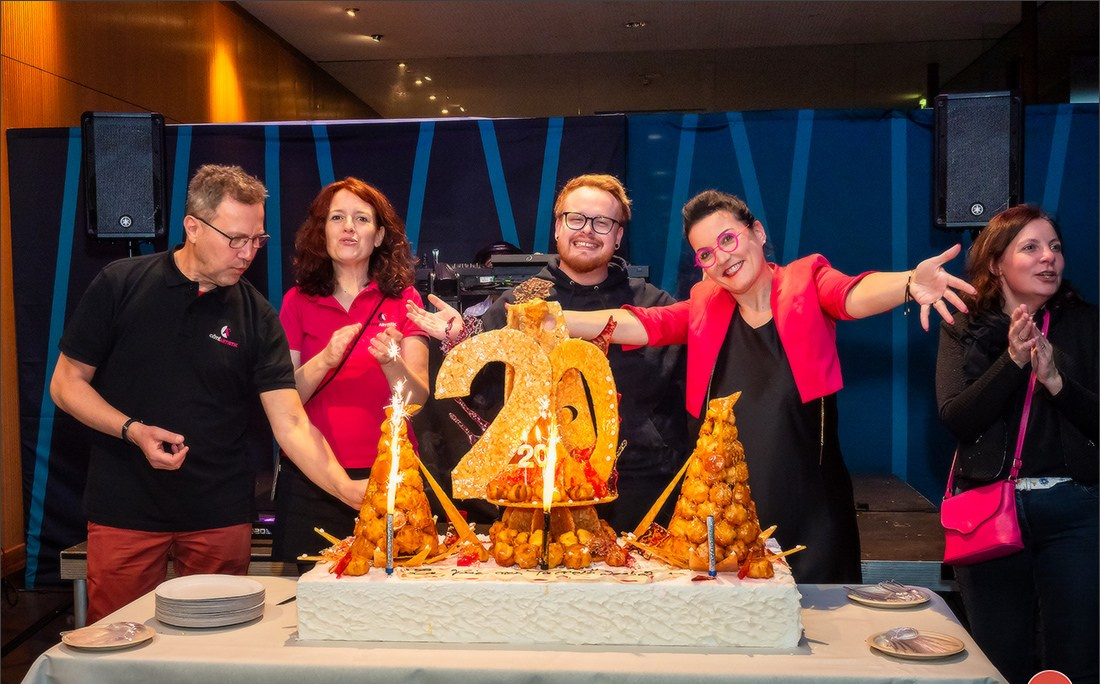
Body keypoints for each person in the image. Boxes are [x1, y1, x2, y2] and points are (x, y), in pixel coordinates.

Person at [553, 189, 974, 583]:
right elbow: (643, 323)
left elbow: (851, 294)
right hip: (724, 523)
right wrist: (557, 319)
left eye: (728, 240)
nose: (721, 258)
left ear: (757, 233)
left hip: (810, 511)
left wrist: (907, 283)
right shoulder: (705, 304)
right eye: (706, 253)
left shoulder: (805, 283)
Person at [49, 164, 369, 623]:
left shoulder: (256, 314)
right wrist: (132, 431)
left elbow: (291, 420)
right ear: (193, 227)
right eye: (235, 238)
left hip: (220, 511)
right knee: (119, 642)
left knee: (219, 642)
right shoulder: (121, 284)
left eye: (257, 240)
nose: (247, 253)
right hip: (125, 508)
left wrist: (344, 488)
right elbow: (66, 383)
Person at [410, 174, 692, 534]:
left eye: (602, 222)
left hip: (639, 488)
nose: (587, 231)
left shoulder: (651, 303)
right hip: (536, 489)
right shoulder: (519, 301)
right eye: (576, 219)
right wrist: (460, 340)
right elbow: (479, 393)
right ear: (558, 227)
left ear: (618, 235)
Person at [935, 204, 1097, 684]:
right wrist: (1013, 362)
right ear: (996, 262)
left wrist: (1056, 381)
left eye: (1055, 246)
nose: (1049, 257)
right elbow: (958, 418)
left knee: (1073, 665)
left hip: (1073, 514)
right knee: (1002, 662)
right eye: (1031, 247)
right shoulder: (964, 326)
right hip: (990, 516)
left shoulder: (1084, 324)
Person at [270, 177, 429, 567]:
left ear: (377, 237)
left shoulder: (405, 299)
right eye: (337, 217)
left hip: (390, 479)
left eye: (361, 219)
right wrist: (324, 358)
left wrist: (392, 361)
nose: (348, 227)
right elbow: (286, 401)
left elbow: (418, 400)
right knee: (307, 608)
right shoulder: (296, 302)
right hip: (313, 480)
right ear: (321, 232)